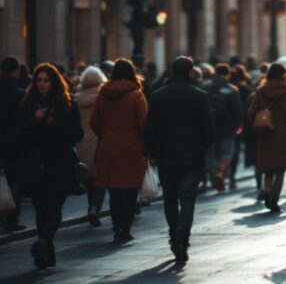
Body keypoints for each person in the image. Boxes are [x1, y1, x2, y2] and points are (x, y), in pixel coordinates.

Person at [145, 56, 214, 263]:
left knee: (170, 198)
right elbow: (209, 130)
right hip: (192, 156)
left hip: (166, 156)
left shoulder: (158, 96)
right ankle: (182, 239)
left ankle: (174, 235)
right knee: (188, 198)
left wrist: (152, 152)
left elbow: (149, 129)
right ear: (190, 72)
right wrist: (203, 148)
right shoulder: (199, 95)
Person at [18, 64, 84, 269]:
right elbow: (21, 134)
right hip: (36, 165)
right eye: (39, 80)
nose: (42, 84)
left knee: (54, 207)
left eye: (46, 80)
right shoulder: (28, 104)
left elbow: (77, 134)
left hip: (60, 164)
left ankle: (42, 243)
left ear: (53, 81)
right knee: (40, 210)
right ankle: (46, 251)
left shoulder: (67, 103)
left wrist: (52, 122)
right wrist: (34, 121)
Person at [90, 59, 148, 243]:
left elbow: (93, 122)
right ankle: (125, 228)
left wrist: (105, 134)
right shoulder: (136, 95)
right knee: (130, 191)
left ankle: (116, 228)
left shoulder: (102, 95)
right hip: (132, 149)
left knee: (114, 192)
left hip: (108, 148)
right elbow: (144, 124)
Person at [247, 63, 286, 212]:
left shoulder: (260, 91)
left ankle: (267, 188)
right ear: (283, 74)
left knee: (268, 169)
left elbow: (251, 112)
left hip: (265, 134)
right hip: (283, 135)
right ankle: (274, 198)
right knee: (280, 170)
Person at [74, 65, 108, 227]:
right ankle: (95, 207)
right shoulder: (103, 95)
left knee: (88, 177)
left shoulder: (76, 97)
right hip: (99, 139)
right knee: (100, 178)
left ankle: (90, 206)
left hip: (82, 141)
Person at [202, 63, 243, 192]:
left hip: (209, 125)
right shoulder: (232, 89)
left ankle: (214, 177)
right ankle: (221, 173)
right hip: (227, 127)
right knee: (227, 152)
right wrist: (239, 125)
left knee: (211, 154)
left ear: (216, 73)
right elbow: (237, 110)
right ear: (228, 74)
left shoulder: (205, 88)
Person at [0, 56, 26, 233]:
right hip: (14, 144)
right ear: (16, 71)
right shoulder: (19, 94)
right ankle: (11, 219)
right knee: (13, 181)